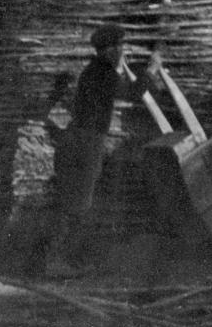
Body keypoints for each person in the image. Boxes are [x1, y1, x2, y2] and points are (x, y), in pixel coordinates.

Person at [28, 24, 151, 278]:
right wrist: (152, 71)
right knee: (78, 205)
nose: (120, 51)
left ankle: (53, 260)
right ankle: (55, 262)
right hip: (86, 143)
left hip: (77, 140)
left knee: (71, 202)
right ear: (106, 51)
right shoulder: (103, 74)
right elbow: (133, 93)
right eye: (116, 47)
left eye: (121, 46)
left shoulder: (94, 72)